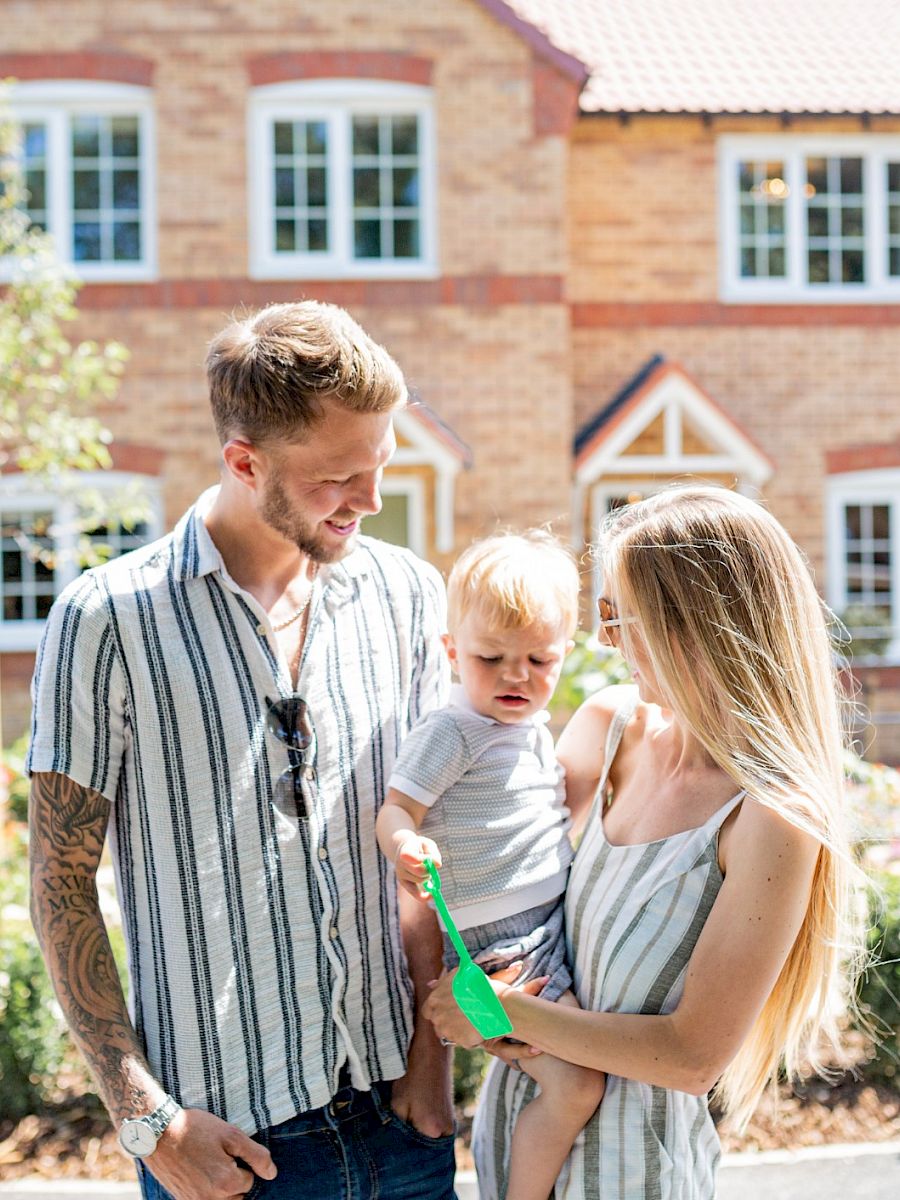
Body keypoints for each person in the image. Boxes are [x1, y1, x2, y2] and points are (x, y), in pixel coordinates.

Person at [27, 300, 457, 1200]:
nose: (370, 501)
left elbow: (423, 850)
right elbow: (61, 883)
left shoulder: (408, 595)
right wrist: (148, 1120)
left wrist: (431, 1067)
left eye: (380, 468)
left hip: (402, 1124)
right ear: (244, 462)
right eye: (338, 477)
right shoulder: (106, 619)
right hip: (228, 1151)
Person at [423, 485, 864, 1200]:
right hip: (521, 1136)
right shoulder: (606, 726)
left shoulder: (773, 817)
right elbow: (496, 855)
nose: (605, 639)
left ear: (699, 626)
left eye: (619, 614)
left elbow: (692, 1056)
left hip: (636, 1173)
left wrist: (489, 1008)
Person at [376, 530, 606, 1200]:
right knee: (575, 1081)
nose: (516, 675)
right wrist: (405, 846)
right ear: (452, 653)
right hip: (494, 946)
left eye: (539, 658)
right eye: (491, 657)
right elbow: (394, 809)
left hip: (542, 930)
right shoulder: (453, 731)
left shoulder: (531, 730)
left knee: (572, 1069)